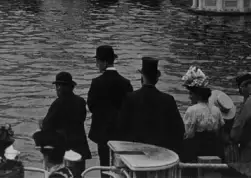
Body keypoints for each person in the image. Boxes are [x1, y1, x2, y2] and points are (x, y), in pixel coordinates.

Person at [117, 57, 184, 155]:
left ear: (142, 76)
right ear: (157, 78)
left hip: (136, 153)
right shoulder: (168, 100)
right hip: (160, 152)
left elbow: (121, 127)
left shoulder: (130, 98)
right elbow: (178, 130)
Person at [87, 45, 132, 177]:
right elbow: (129, 107)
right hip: (120, 130)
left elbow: (91, 105)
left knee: (104, 164)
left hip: (102, 130)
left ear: (104, 62)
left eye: (98, 61)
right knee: (120, 165)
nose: (96, 65)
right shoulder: (126, 83)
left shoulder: (96, 82)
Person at [39, 72, 91, 173]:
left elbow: (47, 125)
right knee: (79, 173)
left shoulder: (58, 103)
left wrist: (41, 124)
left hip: (64, 148)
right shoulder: (80, 101)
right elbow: (82, 119)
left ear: (59, 87)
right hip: (80, 146)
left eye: (57, 86)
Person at [180, 66, 225, 163]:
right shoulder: (216, 110)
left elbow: (189, 134)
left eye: (191, 94)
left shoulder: (192, 110)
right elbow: (219, 130)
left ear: (198, 95)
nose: (189, 97)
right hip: (214, 148)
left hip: (196, 149)